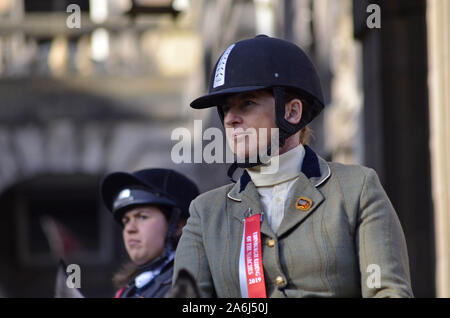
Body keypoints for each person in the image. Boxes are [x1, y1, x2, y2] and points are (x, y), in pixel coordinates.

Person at [173, 35, 413, 297]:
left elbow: (387, 292)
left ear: (292, 112)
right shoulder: (205, 213)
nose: (230, 119)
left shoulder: (357, 189)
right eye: (226, 109)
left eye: (247, 103)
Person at [101, 168, 199, 298]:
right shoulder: (131, 288)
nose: (129, 229)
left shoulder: (193, 282)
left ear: (178, 225)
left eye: (142, 217)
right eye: (126, 221)